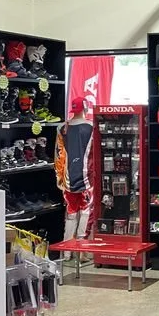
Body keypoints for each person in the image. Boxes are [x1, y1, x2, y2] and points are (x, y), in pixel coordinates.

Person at [54, 97, 94, 260]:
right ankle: (82, 251)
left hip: (67, 178)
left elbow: (58, 154)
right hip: (87, 178)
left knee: (71, 213)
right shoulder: (92, 127)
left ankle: (66, 252)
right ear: (85, 108)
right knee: (85, 213)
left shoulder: (62, 127)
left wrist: (59, 177)